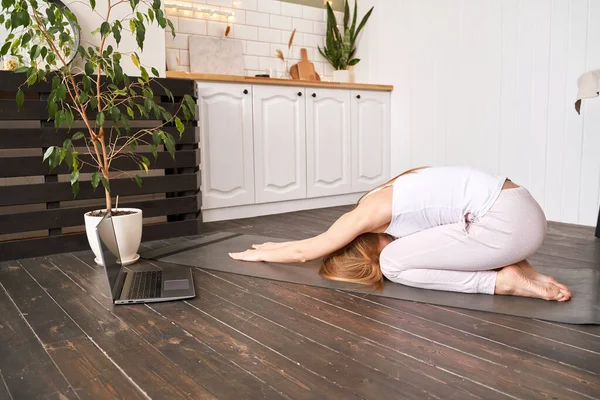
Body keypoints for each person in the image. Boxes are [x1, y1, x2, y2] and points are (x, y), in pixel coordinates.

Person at [229, 166, 572, 302]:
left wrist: (261, 254)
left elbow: (312, 250)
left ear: (362, 242)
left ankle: (503, 281)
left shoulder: (368, 216)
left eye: (373, 253)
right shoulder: (390, 190)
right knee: (443, 232)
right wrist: (276, 242)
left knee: (395, 264)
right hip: (522, 208)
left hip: (509, 224)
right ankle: (519, 266)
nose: (389, 244)